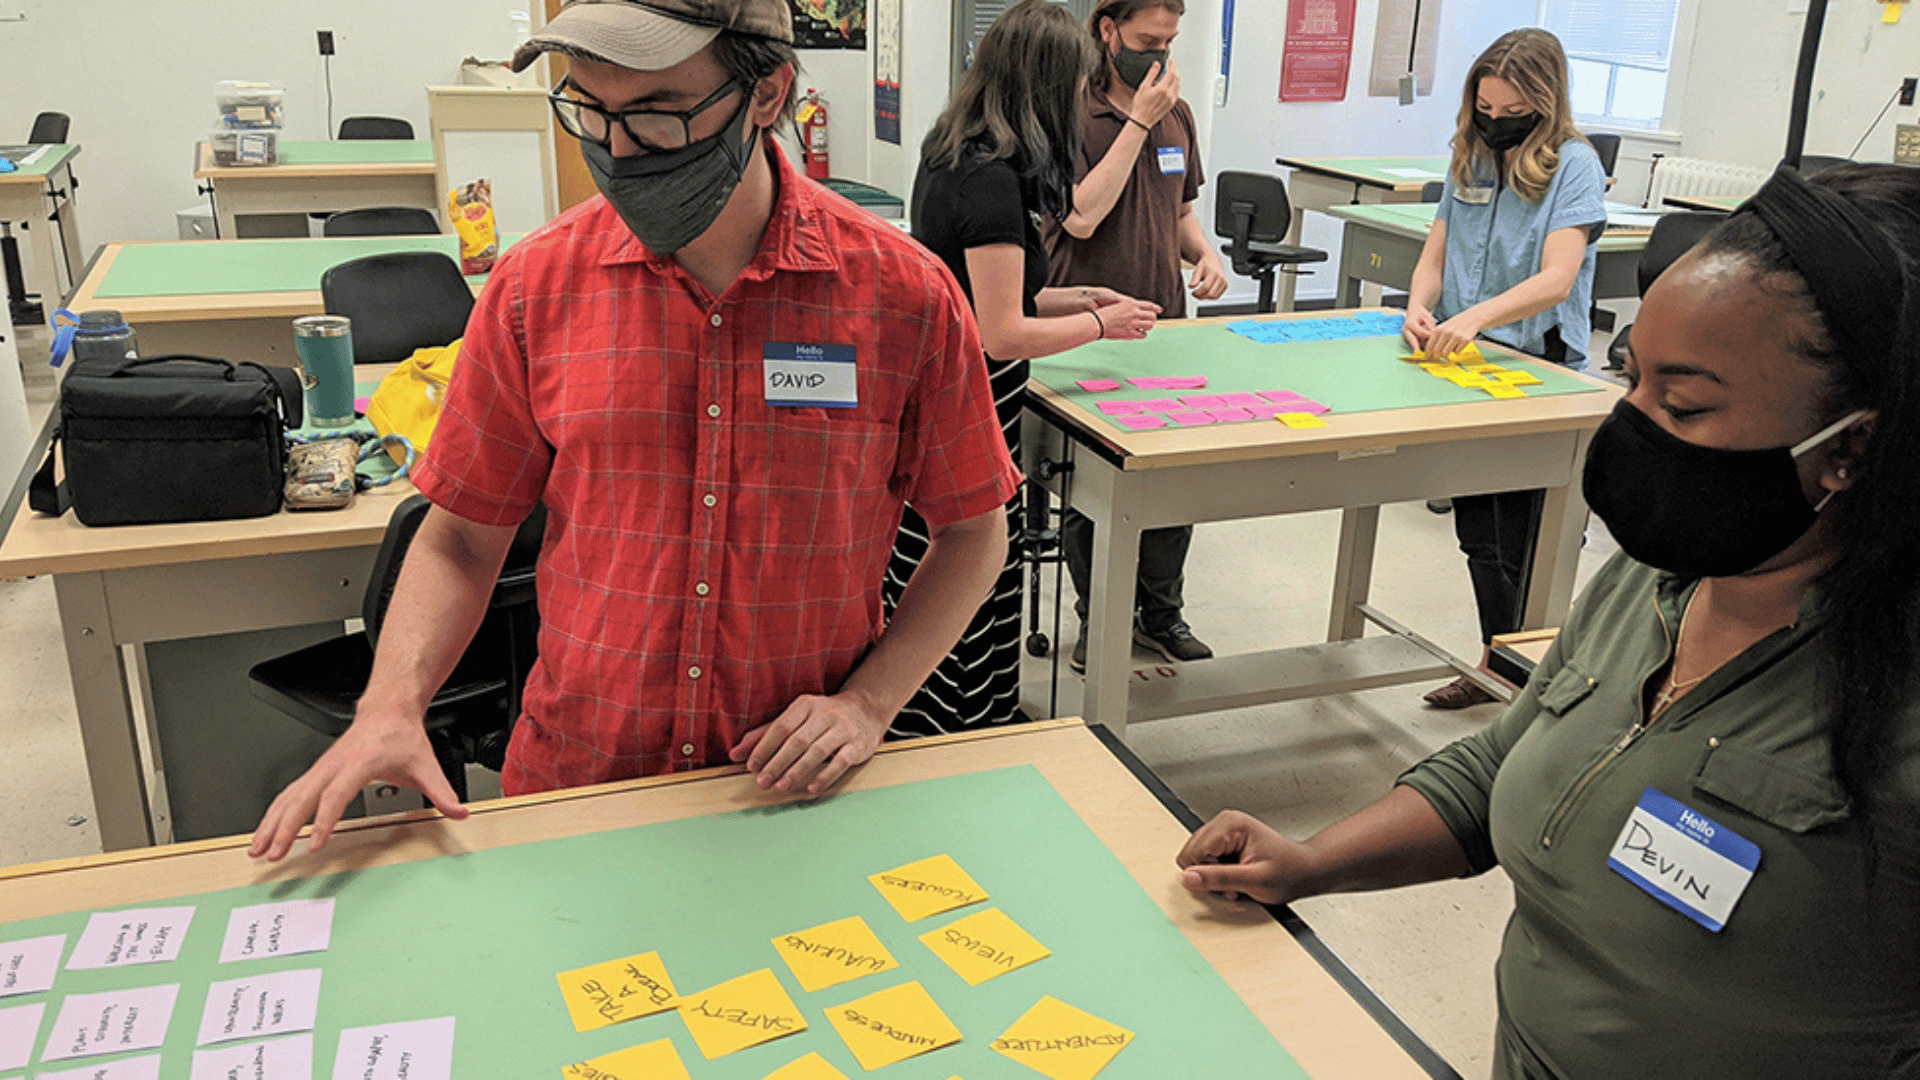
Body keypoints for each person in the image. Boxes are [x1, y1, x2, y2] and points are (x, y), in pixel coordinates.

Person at [1179, 162, 1920, 1078]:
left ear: (1851, 446)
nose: (1632, 424)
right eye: (1632, 375)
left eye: (1683, 405)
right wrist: (1312, 860)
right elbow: (1505, 763)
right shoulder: (1654, 584)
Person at [250, 0, 1020, 861]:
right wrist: (391, 705)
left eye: (656, 113)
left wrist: (870, 703)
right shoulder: (536, 288)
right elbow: (462, 538)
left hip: (791, 795)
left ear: (767, 92)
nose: (616, 151)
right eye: (589, 107)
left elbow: (974, 532)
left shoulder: (903, 297)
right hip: (578, 787)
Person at [889, 0, 1160, 736]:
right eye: (1075, 86)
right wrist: (1104, 324)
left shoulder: (959, 151)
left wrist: (1073, 296)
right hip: (965, 408)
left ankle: (977, 715)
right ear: (1042, 87)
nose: (1081, 99)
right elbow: (1000, 331)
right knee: (968, 574)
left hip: (953, 403)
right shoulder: (989, 180)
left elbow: (991, 284)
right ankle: (960, 727)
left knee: (967, 572)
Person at [1400, 29, 1607, 708]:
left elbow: (1558, 277)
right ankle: (1498, 667)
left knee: (1525, 541)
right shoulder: (1471, 156)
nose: (1494, 123)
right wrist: (1419, 305)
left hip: (1535, 365)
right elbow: (1437, 251)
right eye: (1485, 110)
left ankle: (1533, 686)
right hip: (1468, 364)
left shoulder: (1572, 165)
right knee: (1478, 533)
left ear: (1542, 105)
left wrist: (1477, 315)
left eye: (1509, 112)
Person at [1050, 0, 1228, 673]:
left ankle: (1162, 613)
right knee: (1096, 490)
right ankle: (1098, 620)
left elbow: (1179, 209)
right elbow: (1080, 219)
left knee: (1172, 482)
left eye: (1170, 40)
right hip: (1089, 332)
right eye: (1147, 39)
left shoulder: (1176, 113)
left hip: (1165, 328)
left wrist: (1204, 255)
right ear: (1107, 30)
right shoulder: (1071, 111)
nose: (1160, 53)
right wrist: (1136, 122)